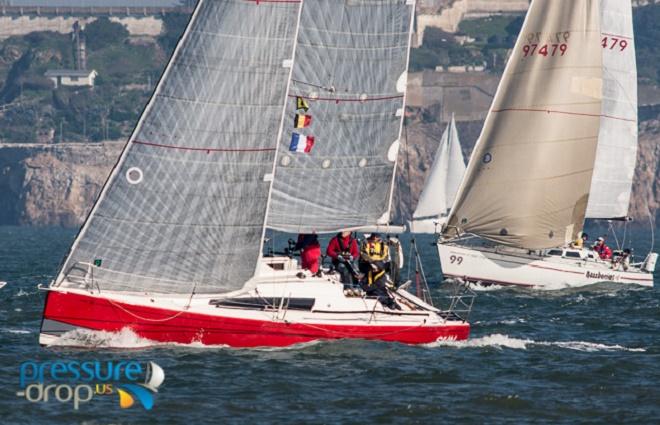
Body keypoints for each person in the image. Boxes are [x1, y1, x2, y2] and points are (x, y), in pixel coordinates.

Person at [359, 233, 398, 309]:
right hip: (367, 262)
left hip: (379, 262)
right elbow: (363, 254)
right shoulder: (366, 243)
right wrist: (372, 261)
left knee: (392, 265)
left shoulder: (383, 245)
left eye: (377, 236)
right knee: (376, 278)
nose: (375, 238)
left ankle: (395, 285)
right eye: (374, 236)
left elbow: (385, 256)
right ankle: (386, 300)